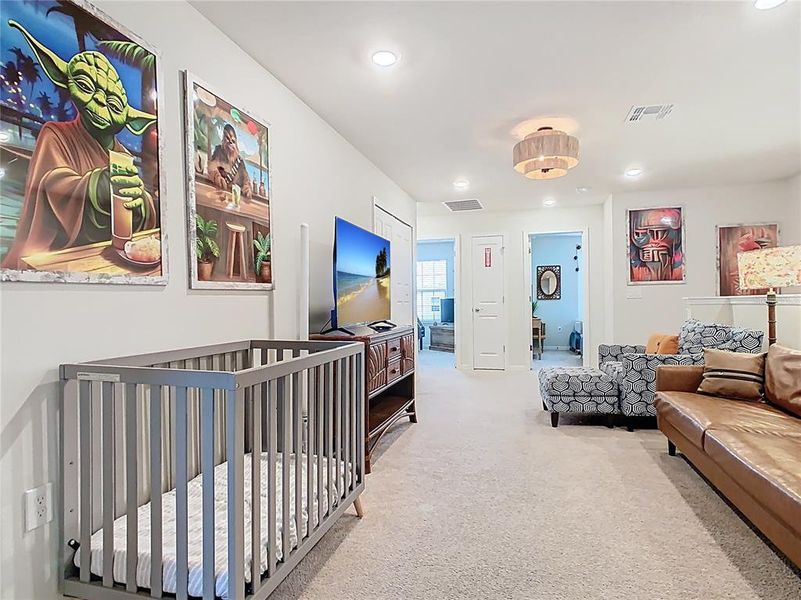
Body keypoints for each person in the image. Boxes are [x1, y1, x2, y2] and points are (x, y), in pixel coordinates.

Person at [208, 123, 251, 197]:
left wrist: (247, 187)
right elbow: (212, 167)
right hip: (221, 194)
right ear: (223, 140)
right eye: (227, 138)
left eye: (233, 141)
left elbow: (246, 179)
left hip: (235, 197)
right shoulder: (219, 151)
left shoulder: (239, 161)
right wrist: (217, 176)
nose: (230, 142)